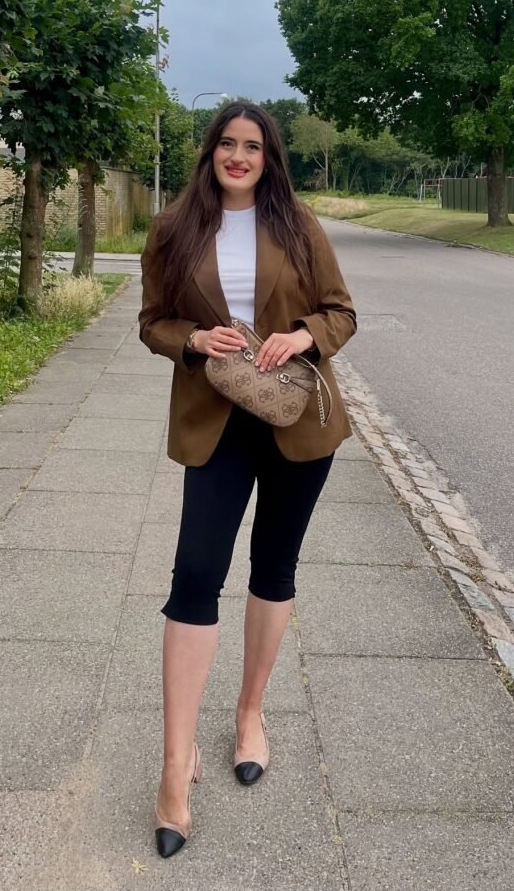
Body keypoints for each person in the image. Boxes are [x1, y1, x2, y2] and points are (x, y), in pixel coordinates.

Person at [139, 101, 356, 858]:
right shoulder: (174, 227)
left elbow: (340, 312)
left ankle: (251, 714)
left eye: (252, 146)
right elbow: (152, 321)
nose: (238, 156)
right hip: (216, 417)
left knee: (275, 567)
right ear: (211, 152)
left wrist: (303, 334)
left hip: (297, 419)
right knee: (195, 573)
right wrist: (195, 337)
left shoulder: (297, 223)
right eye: (227, 144)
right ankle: (175, 762)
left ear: (269, 157)